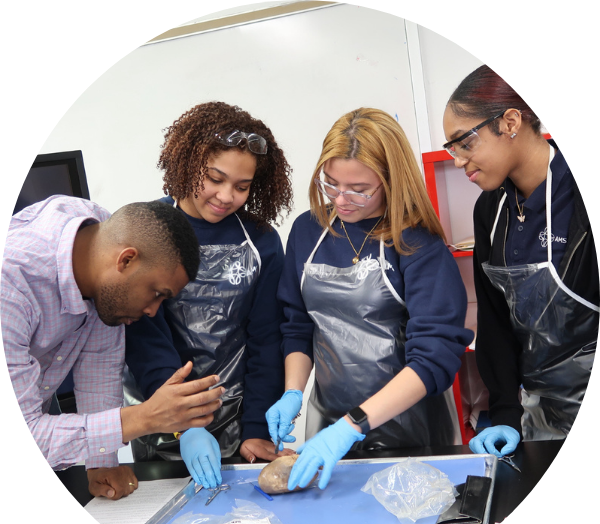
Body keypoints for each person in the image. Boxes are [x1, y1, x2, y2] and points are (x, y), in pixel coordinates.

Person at [268, 107, 474, 491]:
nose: (341, 200)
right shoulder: (306, 231)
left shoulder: (416, 242)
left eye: (359, 190)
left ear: (390, 181)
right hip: (329, 421)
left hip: (412, 426)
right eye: (330, 184)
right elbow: (297, 323)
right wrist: (293, 391)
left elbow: (435, 356)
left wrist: (352, 425)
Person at [1, 197, 224, 499]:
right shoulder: (11, 287)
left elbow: (99, 367)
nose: (152, 312)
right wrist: (146, 417)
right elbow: (20, 439)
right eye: (157, 293)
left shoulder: (96, 241)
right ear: (126, 260)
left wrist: (101, 463)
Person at [124, 102, 294, 489]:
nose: (225, 195)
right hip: (162, 419)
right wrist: (184, 425)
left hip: (239, 420)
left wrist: (255, 427)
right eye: (214, 178)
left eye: (241, 186)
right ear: (188, 162)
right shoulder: (146, 229)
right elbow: (145, 338)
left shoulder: (262, 242)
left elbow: (266, 339)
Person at [442, 65, 600, 457]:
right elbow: (495, 320)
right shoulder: (490, 210)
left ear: (510, 121)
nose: (459, 160)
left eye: (465, 142)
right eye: (452, 148)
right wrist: (507, 414)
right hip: (540, 414)